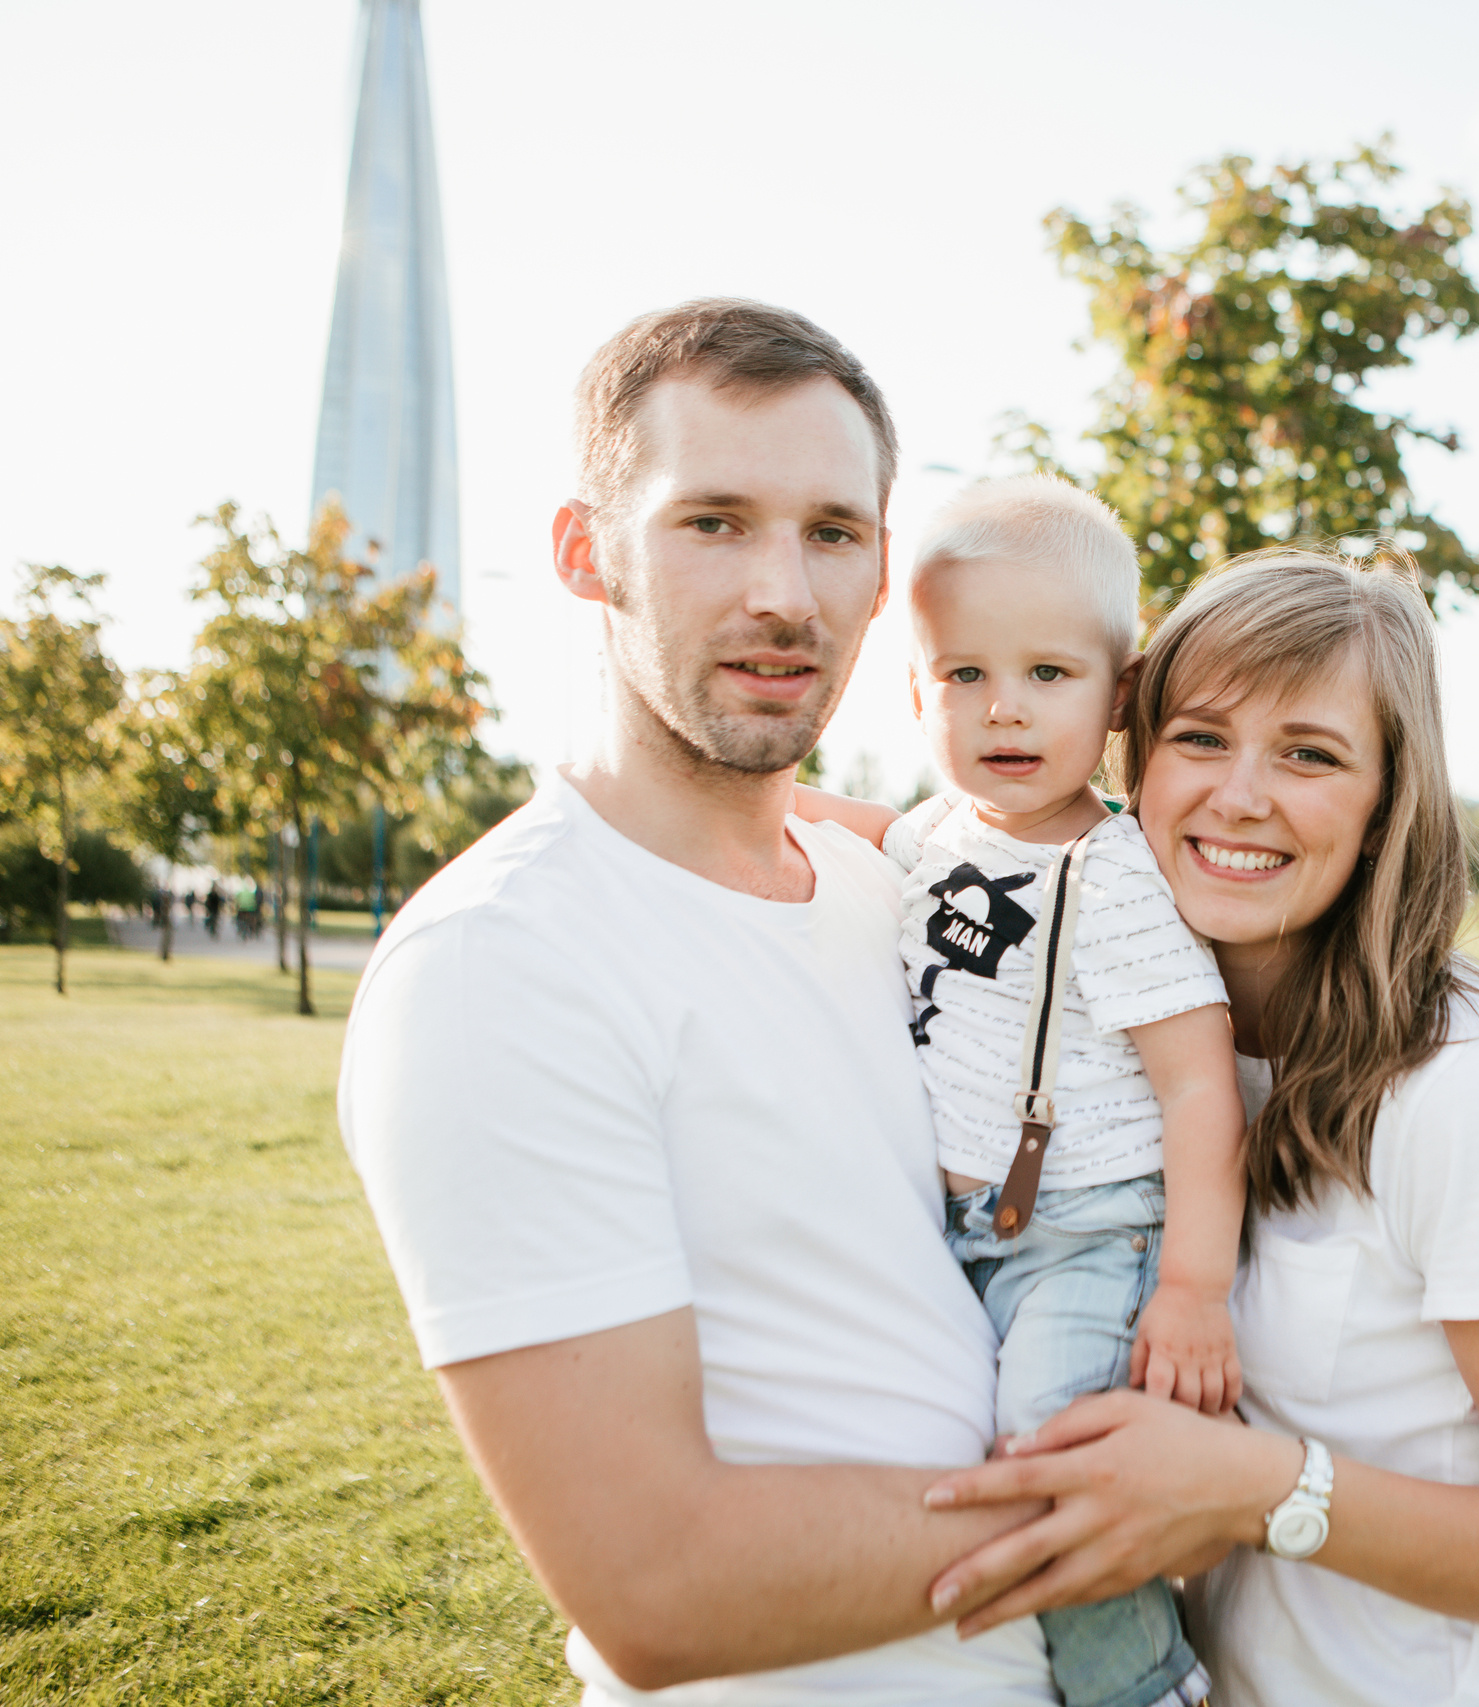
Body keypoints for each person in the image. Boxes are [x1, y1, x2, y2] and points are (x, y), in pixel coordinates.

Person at [338, 300, 1101, 1703]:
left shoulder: (897, 890)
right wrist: (1133, 1510)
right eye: (714, 522)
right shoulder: (503, 961)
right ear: (587, 553)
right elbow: (657, 1584)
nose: (785, 595)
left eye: (832, 531)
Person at [920, 548, 1479, 1704]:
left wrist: (1258, 1485)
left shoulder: (1473, 1095)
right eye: (1201, 738)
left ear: (1383, 803)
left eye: (1309, 754)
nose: (1241, 795)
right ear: (1134, 759)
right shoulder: (1123, 1049)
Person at [798, 475, 1240, 1707]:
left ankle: (1146, 1687)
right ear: (916, 692)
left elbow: (1202, 1088)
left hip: (1087, 1233)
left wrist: (1196, 1287)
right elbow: (860, 825)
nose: (1004, 708)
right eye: (964, 676)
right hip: (958, 1232)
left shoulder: (1116, 881)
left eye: (1049, 674)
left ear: (1118, 694)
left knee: (1050, 1457)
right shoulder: (941, 834)